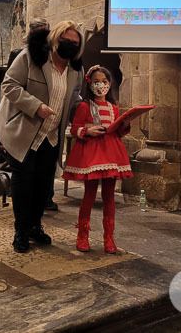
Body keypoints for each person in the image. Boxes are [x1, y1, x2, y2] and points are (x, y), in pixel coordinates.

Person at [0, 20, 84, 253]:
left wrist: (89, 115)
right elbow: (9, 85)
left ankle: (35, 226)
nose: (70, 45)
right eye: (65, 40)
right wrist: (36, 106)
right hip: (23, 131)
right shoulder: (31, 57)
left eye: (75, 43)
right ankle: (21, 231)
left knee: (43, 186)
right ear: (55, 38)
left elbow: (74, 100)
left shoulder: (76, 70)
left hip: (50, 135)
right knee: (24, 184)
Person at [62, 65, 133, 254]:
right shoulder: (84, 106)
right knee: (89, 195)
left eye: (104, 81)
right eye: (96, 82)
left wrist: (125, 125)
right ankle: (82, 235)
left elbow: (117, 132)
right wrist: (88, 130)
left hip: (111, 154)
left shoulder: (113, 107)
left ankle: (109, 237)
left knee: (109, 196)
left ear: (109, 84)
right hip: (92, 155)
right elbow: (75, 129)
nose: (100, 85)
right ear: (89, 84)